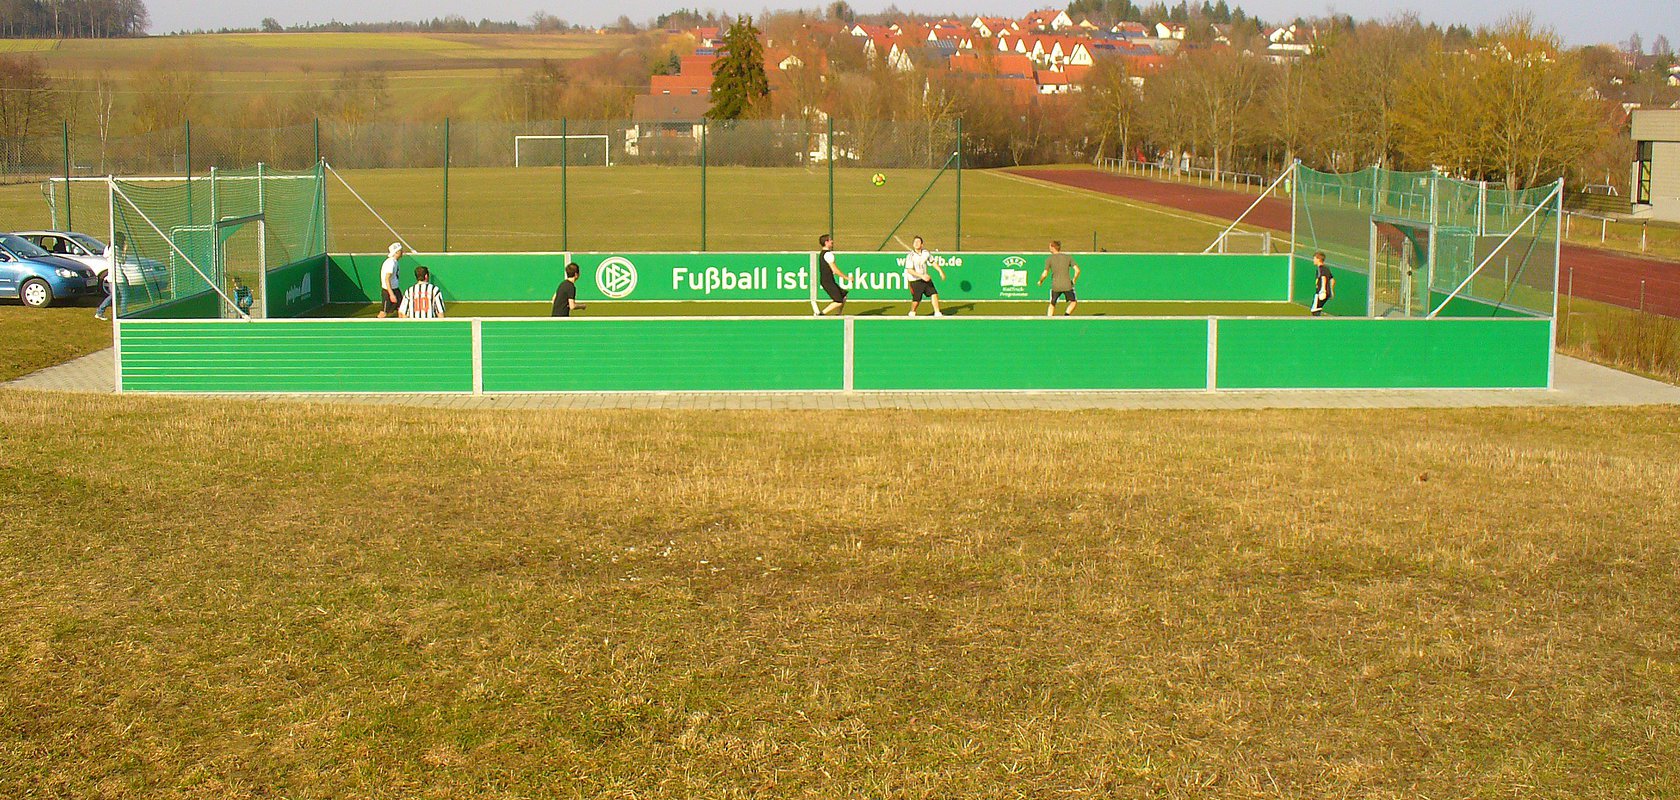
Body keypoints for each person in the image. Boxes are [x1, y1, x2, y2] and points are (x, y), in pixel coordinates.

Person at [1037, 240, 1080, 316]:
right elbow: (1077, 270)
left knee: (1052, 303)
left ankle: (1049, 319)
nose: (1049, 248)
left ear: (1053, 247)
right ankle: (1066, 315)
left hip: (1055, 286)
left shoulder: (1049, 259)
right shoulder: (1068, 257)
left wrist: (1040, 281)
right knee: (1073, 302)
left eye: (1050, 246)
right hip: (1067, 285)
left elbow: (1045, 274)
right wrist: (1074, 280)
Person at [904, 235, 944, 317]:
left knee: (934, 293)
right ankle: (912, 311)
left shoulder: (926, 253)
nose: (916, 243)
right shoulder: (910, 256)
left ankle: (937, 312)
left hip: (925, 278)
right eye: (915, 242)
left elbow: (932, 262)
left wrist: (940, 271)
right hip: (915, 280)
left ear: (922, 244)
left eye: (918, 242)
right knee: (917, 299)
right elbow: (909, 270)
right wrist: (921, 276)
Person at [815, 234, 850, 316]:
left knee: (844, 296)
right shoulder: (828, 254)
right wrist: (846, 278)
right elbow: (835, 270)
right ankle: (821, 314)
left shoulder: (823, 253)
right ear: (826, 242)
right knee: (838, 301)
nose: (832, 241)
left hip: (828, 280)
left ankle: (839, 315)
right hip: (827, 281)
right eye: (830, 240)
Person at [378, 242, 404, 318]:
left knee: (402, 309)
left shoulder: (394, 262)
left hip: (395, 289)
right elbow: (387, 279)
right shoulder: (391, 263)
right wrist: (391, 294)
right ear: (396, 252)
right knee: (383, 313)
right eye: (400, 251)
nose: (402, 252)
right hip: (389, 291)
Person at [1311, 251, 1335, 316]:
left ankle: (1317, 324)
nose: (1313, 260)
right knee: (1317, 309)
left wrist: (1323, 290)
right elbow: (1332, 280)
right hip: (1327, 293)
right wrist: (1331, 291)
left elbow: (1323, 277)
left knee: (1314, 310)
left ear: (1318, 259)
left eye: (1314, 258)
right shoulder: (1326, 268)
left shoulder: (1321, 268)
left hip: (1321, 292)